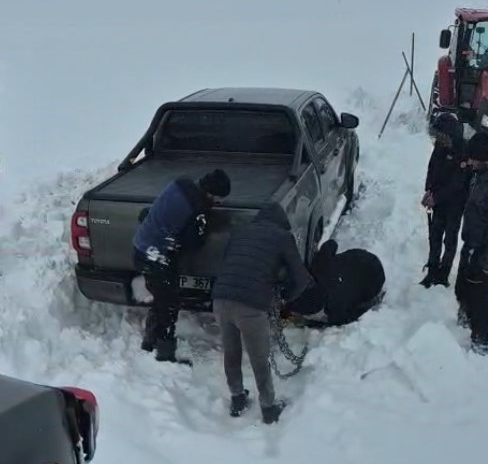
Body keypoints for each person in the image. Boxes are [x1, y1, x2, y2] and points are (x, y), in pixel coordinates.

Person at [212, 203, 313, 424]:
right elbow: (302, 278)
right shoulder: (282, 237)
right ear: (282, 222)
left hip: (220, 298)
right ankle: (268, 408)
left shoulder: (240, 231)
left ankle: (237, 399)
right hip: (250, 305)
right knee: (259, 359)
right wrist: (285, 296)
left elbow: (230, 263)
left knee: (231, 352)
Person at [133, 169, 231, 363]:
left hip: (140, 248)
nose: (219, 203)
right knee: (168, 305)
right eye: (219, 199)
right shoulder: (197, 209)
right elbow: (192, 243)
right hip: (157, 258)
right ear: (211, 194)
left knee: (161, 300)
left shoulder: (180, 184)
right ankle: (164, 355)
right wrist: (203, 225)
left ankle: (149, 343)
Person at [285, 239, 385, 326]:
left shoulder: (336, 309)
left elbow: (331, 244)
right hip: (362, 264)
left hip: (367, 274)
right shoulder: (321, 266)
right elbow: (330, 244)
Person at [419, 113, 470, 288]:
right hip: (438, 200)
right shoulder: (440, 146)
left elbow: (458, 182)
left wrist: (436, 197)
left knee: (449, 238)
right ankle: (432, 269)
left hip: (455, 203)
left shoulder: (462, 150)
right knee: (434, 235)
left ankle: (444, 273)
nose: (437, 139)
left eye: (440, 135)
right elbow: (432, 168)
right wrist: (428, 190)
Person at [454, 131, 488, 352]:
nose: (470, 162)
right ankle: (465, 319)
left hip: (483, 252)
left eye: (473, 158)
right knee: (464, 288)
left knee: (482, 298)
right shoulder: (478, 176)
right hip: (471, 245)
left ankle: (482, 340)